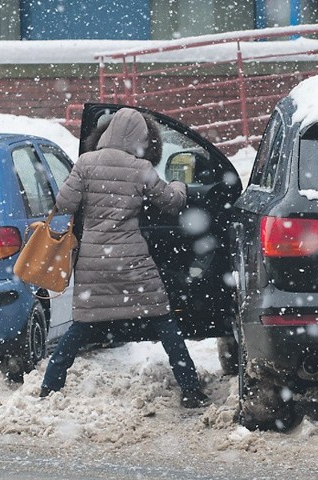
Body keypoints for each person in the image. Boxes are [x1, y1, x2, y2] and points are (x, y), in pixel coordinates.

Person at [39, 108, 210, 409]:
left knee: (81, 327)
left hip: (94, 260)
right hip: (132, 262)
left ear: (107, 132)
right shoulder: (140, 168)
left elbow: (64, 203)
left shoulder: (86, 163)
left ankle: (49, 388)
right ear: (139, 139)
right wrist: (181, 185)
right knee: (164, 322)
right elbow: (171, 203)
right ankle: (190, 389)